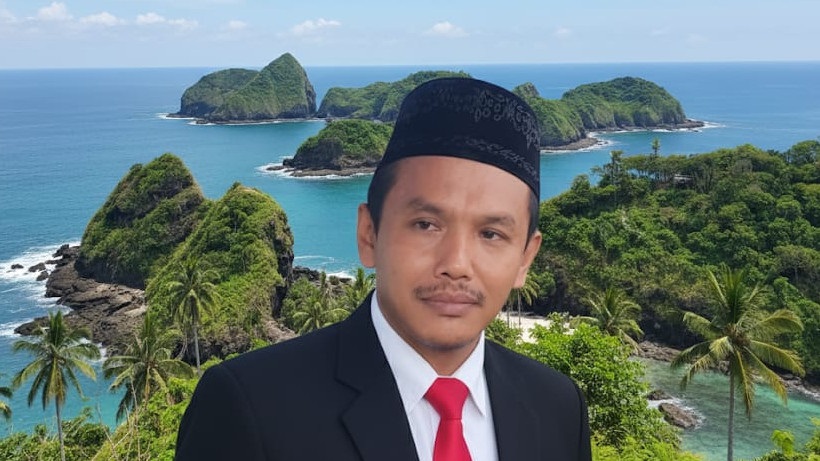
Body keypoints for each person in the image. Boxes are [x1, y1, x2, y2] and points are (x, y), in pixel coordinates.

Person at [175, 77, 592, 461]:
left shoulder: (558, 407)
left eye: (491, 234)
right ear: (369, 234)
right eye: (426, 225)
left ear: (525, 258)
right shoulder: (249, 407)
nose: (456, 265)